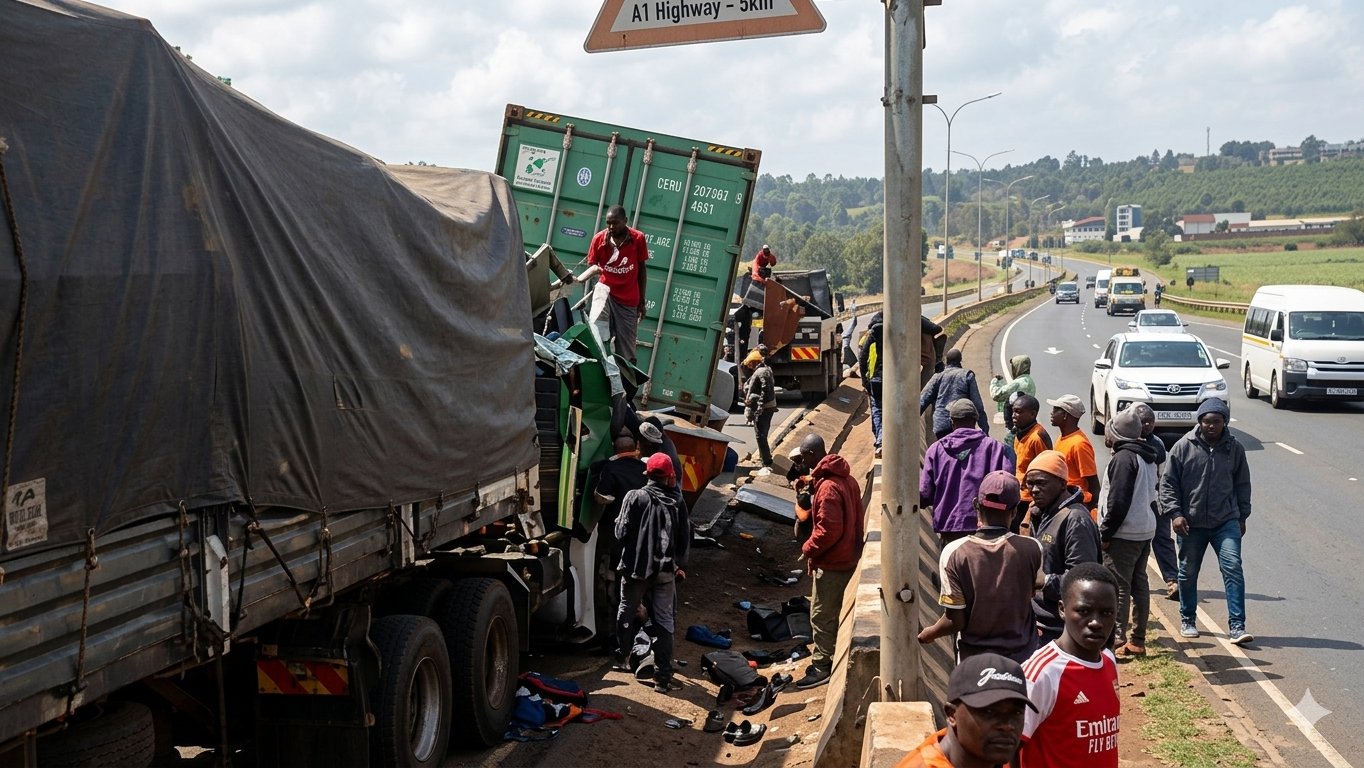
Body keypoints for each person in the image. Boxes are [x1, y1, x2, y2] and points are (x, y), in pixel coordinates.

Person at [918, 472, 1044, 664]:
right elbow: (1032, 594)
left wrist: (930, 634)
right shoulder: (1033, 548)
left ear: (976, 504)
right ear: (1014, 511)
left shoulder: (954, 553)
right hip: (1024, 659)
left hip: (975, 660)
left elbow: (955, 621)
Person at [1159, 398, 1254, 644]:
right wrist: (1175, 513)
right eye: (1206, 421)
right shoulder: (1182, 447)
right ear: (1199, 422)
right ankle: (1188, 618)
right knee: (1188, 572)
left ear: (1225, 422)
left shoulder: (1235, 449)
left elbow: (1243, 485)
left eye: (1216, 422)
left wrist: (1242, 516)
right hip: (1190, 523)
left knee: (1233, 568)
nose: (1211, 426)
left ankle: (1237, 626)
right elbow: (1168, 484)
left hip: (1226, 521)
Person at [1019, 562, 1121, 768]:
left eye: (1107, 613)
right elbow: (1009, 748)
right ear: (1062, 610)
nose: (1096, 622)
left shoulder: (1109, 661)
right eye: (1084, 611)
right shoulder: (1041, 674)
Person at [613, 453, 690, 693]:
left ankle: (623, 660)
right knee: (664, 622)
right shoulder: (677, 502)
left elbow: (620, 532)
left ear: (647, 474)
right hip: (665, 572)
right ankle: (662, 679)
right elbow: (685, 537)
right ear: (669, 477)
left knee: (626, 612)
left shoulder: (634, 497)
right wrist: (679, 565)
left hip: (636, 570)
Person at [796, 433, 865, 690]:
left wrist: (808, 548)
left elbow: (828, 530)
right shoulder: (846, 479)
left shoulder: (828, 489)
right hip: (848, 555)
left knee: (821, 616)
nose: (802, 462)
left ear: (813, 455)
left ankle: (822, 665)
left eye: (804, 457)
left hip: (833, 562)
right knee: (829, 613)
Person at [893, 652, 1036, 768]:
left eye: (1016, 713)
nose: (1007, 726)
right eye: (989, 712)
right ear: (952, 714)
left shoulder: (987, 754)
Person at [1097, 407, 1159, 658]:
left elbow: (1118, 501)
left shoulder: (1123, 458)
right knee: (1139, 584)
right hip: (1145, 529)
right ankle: (1138, 639)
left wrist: (1106, 532)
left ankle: (1119, 639)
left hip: (1125, 533)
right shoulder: (1147, 455)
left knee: (1119, 586)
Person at [1023, 450, 1101, 644]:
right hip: (1039, 620)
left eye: (1041, 483)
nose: (1033, 490)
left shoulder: (1075, 520)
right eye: (1030, 483)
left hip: (1063, 629)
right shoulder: (1041, 513)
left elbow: (1084, 580)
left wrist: (1045, 581)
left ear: (1062, 483)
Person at [919, 399, 1015, 546]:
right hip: (988, 530)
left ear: (952, 422)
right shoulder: (996, 449)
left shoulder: (936, 450)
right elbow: (1008, 489)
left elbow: (925, 494)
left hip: (950, 529)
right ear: (975, 420)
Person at [578, 205, 648, 363]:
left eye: (615, 223)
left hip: (628, 301)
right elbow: (593, 267)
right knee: (597, 338)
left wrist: (641, 301)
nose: (611, 227)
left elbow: (642, 270)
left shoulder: (638, 239)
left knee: (626, 351)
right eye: (608, 223)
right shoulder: (599, 240)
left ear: (625, 221)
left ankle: (625, 383)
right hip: (605, 296)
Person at [1131, 402, 1178, 600]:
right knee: (1130, 542)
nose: (1147, 425)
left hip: (1154, 501)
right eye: (1143, 422)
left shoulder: (1157, 445)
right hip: (1132, 501)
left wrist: (1162, 502)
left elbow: (1163, 476)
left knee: (1162, 539)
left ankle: (1173, 581)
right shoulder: (1126, 439)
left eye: (1151, 421)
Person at [1046, 394, 1100, 518]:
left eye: (1055, 409)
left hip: (1076, 506)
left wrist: (1093, 511)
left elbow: (1093, 482)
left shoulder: (1079, 444)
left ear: (1065, 415)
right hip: (1062, 501)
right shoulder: (1062, 437)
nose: (1051, 413)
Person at [920, 349, 991, 440]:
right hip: (961, 423)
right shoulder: (967, 375)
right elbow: (978, 406)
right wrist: (985, 430)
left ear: (946, 361)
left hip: (941, 425)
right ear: (960, 360)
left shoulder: (937, 376)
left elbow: (923, 400)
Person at [1010, 395, 1052, 533]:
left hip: (1031, 499)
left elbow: (1047, 469)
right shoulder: (1019, 433)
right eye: (1013, 411)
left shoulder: (1037, 436)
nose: (1014, 416)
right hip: (1018, 494)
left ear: (1032, 414)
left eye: (1019, 412)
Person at [732, 244, 777, 359]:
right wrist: (764, 281)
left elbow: (773, 262)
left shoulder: (768, 257)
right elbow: (755, 276)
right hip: (758, 286)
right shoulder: (757, 261)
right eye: (765, 251)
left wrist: (769, 257)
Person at [742, 345, 778, 469]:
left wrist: (760, 406)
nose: (749, 366)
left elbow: (766, 390)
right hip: (766, 407)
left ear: (755, 362)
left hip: (765, 408)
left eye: (750, 364)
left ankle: (766, 461)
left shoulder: (762, 371)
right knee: (761, 434)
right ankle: (764, 458)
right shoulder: (762, 370)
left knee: (761, 435)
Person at [858, 312, 885, 457]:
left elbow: (862, 359)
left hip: (874, 380)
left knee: (877, 411)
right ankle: (884, 441)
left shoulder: (869, 336)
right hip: (892, 381)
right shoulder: (895, 333)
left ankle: (880, 442)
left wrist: (865, 382)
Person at [990, 355, 1036, 436]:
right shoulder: (1030, 381)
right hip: (1027, 423)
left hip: (1015, 425)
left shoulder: (1017, 383)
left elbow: (997, 395)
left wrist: (995, 381)